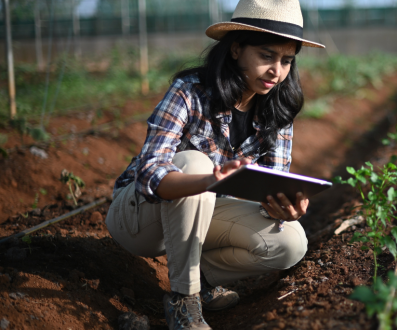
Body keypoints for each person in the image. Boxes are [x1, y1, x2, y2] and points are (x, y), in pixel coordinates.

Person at [104, 0, 325, 328]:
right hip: (140, 219)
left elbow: (272, 182)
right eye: (267, 56)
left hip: (204, 219)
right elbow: (150, 172)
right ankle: (184, 299)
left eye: (287, 61)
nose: (277, 71)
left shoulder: (277, 112)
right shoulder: (190, 91)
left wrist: (282, 206)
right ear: (236, 49)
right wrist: (206, 182)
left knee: (291, 242)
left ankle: (202, 274)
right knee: (195, 164)